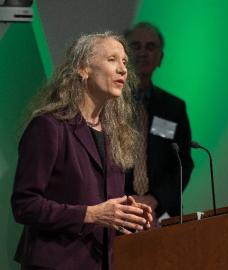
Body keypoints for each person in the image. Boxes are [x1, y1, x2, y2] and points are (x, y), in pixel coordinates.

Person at [11, 32, 152, 270]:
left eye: (125, 62)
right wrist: (90, 214)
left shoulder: (113, 134)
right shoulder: (49, 126)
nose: (123, 69)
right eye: (112, 60)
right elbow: (25, 205)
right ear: (82, 69)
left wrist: (129, 215)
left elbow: (103, 206)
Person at [124, 22, 194, 224]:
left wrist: (154, 200)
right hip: (117, 212)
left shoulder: (174, 108)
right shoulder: (108, 104)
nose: (143, 53)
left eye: (150, 47)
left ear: (160, 58)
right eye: (136, 46)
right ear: (124, 56)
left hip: (160, 214)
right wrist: (128, 204)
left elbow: (182, 163)